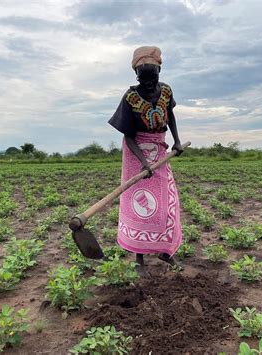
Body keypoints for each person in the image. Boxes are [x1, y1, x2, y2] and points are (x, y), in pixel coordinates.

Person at [108, 46, 184, 275]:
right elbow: (128, 135)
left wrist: (176, 141)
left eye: (154, 77)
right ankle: (139, 258)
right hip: (136, 154)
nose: (149, 83)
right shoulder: (130, 97)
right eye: (144, 78)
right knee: (139, 206)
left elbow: (170, 115)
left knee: (167, 204)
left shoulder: (167, 91)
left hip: (159, 150)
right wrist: (143, 161)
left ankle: (164, 251)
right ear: (136, 75)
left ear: (159, 71)